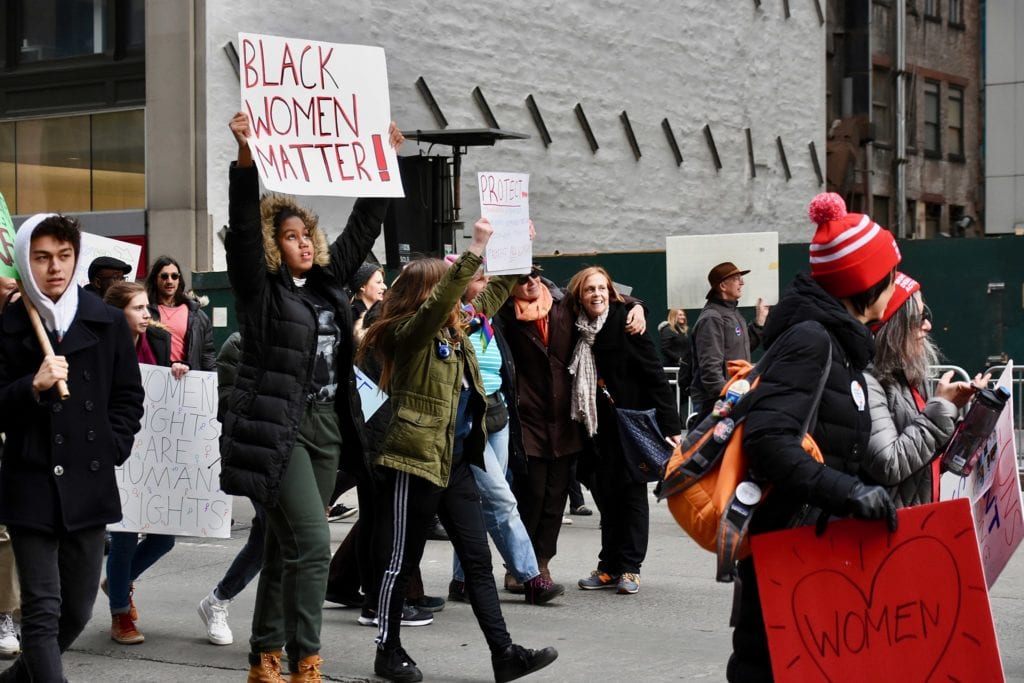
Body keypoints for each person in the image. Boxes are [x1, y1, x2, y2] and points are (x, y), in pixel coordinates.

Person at [219, 111, 402, 683]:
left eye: (306, 235)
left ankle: (263, 658)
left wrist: (383, 164)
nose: (302, 243)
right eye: (289, 236)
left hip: (327, 427)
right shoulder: (260, 290)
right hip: (279, 428)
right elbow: (245, 230)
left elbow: (363, 228)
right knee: (314, 544)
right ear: (275, 246)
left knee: (282, 548)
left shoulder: (327, 281)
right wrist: (246, 158)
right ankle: (306, 662)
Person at [361, 220, 558, 683]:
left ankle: (504, 654)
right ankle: (387, 651)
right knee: (399, 562)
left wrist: (516, 247)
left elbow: (492, 295)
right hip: (416, 459)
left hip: (455, 461)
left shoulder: (455, 329)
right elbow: (440, 306)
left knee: (478, 561)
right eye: (448, 292)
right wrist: (475, 248)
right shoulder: (409, 334)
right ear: (427, 295)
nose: (463, 300)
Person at [727, 192, 901, 681]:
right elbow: (771, 442)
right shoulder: (812, 339)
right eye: (889, 277)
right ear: (866, 283)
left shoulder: (838, 343)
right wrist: (850, 493)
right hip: (788, 552)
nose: (895, 287)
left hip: (815, 552)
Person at [0, 213, 144, 682]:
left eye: (64, 256)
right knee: (41, 613)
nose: (55, 268)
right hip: (29, 483)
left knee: (76, 612)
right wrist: (31, 386)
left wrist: (111, 447)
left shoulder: (105, 321)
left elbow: (127, 397)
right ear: (25, 262)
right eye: (42, 258)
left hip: (89, 482)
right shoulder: (7, 326)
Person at [494, 266, 645, 592]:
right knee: (530, 495)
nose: (530, 282)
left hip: (566, 419)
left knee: (555, 499)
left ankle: (543, 563)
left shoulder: (563, 305)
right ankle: (519, 565)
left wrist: (637, 305)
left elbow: (604, 294)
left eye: (534, 275)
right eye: (521, 278)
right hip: (529, 419)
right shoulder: (504, 316)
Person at [446, 264, 565, 606]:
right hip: (469, 419)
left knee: (478, 500)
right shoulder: (450, 320)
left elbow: (556, 291)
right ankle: (530, 577)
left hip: (497, 414)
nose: (488, 282)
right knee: (501, 499)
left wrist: (635, 305)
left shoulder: (490, 318)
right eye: (480, 277)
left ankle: (462, 579)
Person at [567, 267, 681, 595]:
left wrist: (671, 425)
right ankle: (609, 566)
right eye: (590, 289)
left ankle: (629, 567)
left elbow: (655, 376)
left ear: (612, 292)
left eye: (603, 288)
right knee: (606, 497)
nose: (597, 294)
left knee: (630, 497)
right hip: (593, 428)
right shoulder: (576, 328)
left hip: (627, 423)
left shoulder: (627, 321)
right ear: (580, 296)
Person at [863, 273, 985, 507]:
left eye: (926, 315)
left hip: (918, 519)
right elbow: (889, 464)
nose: (928, 326)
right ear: (894, 329)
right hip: (894, 531)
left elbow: (923, 454)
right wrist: (939, 410)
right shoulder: (869, 381)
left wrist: (966, 413)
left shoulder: (902, 376)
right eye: (918, 319)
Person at [99, 281, 176, 645]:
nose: (147, 315)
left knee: (164, 537)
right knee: (126, 535)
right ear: (117, 313)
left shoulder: (158, 342)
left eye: (148, 308)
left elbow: (164, 386)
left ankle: (117, 579)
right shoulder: (99, 345)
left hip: (152, 451)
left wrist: (179, 372)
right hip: (117, 449)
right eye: (138, 309)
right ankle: (120, 614)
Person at [196, 332, 266, 646]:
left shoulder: (314, 332)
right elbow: (225, 404)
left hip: (300, 449)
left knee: (269, 537)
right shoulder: (239, 344)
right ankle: (270, 632)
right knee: (278, 533)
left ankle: (219, 600)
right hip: (257, 450)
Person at [689, 262, 769, 423]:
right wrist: (729, 399)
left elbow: (740, 348)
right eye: (736, 279)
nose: (742, 283)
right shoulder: (712, 318)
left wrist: (759, 323)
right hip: (717, 402)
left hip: (731, 398)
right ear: (723, 286)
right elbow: (711, 369)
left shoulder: (732, 314)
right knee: (712, 447)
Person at [145, 254, 216, 378]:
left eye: (174, 276)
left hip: (189, 383)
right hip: (156, 381)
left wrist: (213, 386)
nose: (170, 281)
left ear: (179, 279)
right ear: (155, 280)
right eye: (164, 276)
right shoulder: (145, 312)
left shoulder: (198, 316)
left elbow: (208, 356)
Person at [659, 308, 691, 419]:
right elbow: (665, 349)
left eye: (683, 315)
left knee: (682, 395)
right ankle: (677, 420)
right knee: (673, 396)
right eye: (679, 315)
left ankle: (678, 419)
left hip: (683, 368)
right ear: (673, 316)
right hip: (672, 369)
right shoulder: (668, 330)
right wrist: (678, 359)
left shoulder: (682, 331)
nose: (682, 317)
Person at [349, 261, 387, 340]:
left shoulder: (381, 311)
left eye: (383, 282)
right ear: (362, 286)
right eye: (378, 282)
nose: (384, 287)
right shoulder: (352, 316)